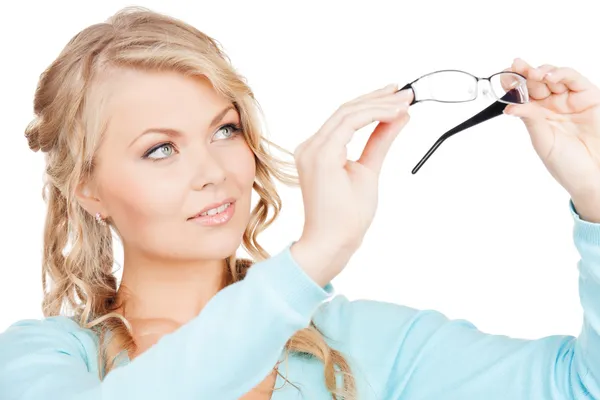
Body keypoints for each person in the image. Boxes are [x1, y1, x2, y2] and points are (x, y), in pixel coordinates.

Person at [1, 6, 599, 400]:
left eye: (225, 130)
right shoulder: (41, 361)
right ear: (88, 188)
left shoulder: (364, 344)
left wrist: (596, 200)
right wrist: (313, 258)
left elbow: (579, 386)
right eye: (160, 150)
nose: (212, 172)